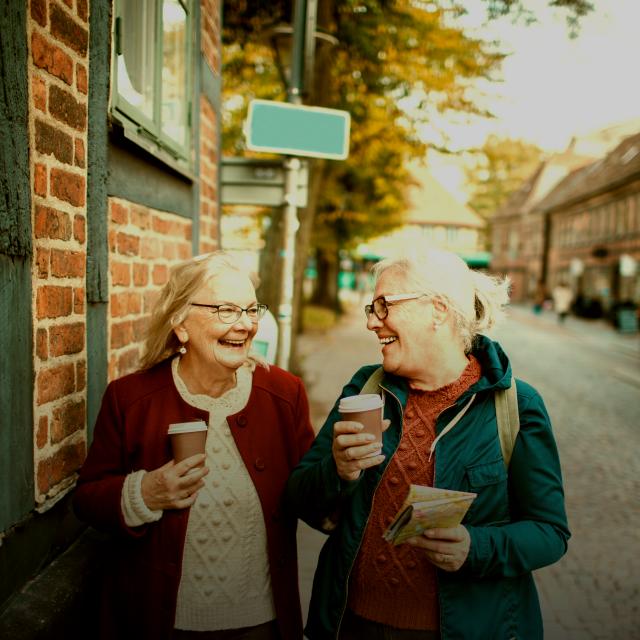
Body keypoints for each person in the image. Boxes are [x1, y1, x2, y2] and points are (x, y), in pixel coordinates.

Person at [285, 248, 570, 640]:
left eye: (384, 306)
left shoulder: (516, 406)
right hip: (351, 624)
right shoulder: (366, 389)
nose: (371, 321)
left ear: (438, 310)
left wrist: (475, 547)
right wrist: (339, 469)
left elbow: (549, 533)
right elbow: (301, 499)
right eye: (372, 307)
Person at [73, 251, 315, 640]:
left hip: (259, 622)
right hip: (161, 621)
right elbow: (87, 498)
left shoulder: (284, 395)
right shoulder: (131, 399)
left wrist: (341, 469)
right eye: (225, 310)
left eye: (251, 311)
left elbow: (311, 494)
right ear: (181, 325)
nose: (244, 325)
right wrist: (144, 493)